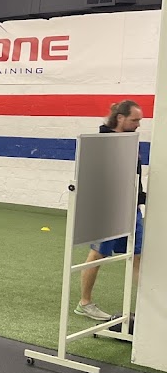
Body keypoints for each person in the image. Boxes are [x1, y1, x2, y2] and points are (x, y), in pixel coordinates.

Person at [76, 100, 145, 320]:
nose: (138, 124)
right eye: (134, 120)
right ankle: (84, 303)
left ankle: (147, 307)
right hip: (107, 209)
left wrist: (140, 197)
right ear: (120, 118)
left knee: (138, 255)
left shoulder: (131, 140)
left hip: (131, 207)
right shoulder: (102, 142)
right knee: (98, 254)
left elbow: (132, 176)